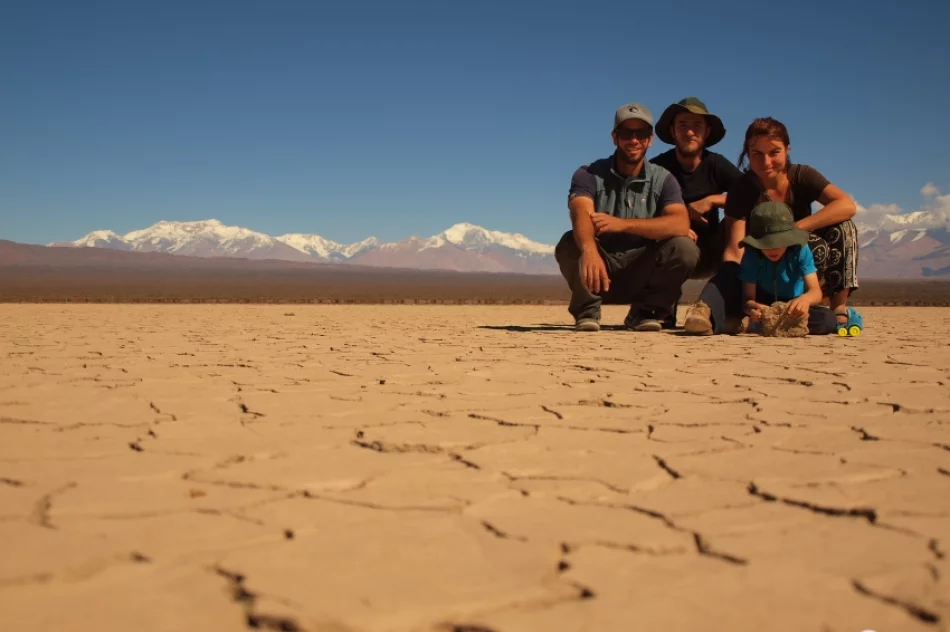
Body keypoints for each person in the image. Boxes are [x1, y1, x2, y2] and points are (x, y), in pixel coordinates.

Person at [683, 117, 858, 335]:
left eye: (774, 152)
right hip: (760, 271)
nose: (766, 162)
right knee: (730, 267)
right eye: (757, 154)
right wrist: (734, 286)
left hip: (802, 272)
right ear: (748, 154)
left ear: (787, 149)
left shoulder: (802, 176)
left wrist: (794, 230)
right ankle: (705, 312)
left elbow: (846, 205)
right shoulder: (742, 188)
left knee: (845, 227)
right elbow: (735, 248)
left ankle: (838, 307)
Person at [555, 102, 699, 332]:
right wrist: (590, 250)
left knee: (684, 248)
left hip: (643, 272)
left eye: (641, 134)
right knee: (569, 243)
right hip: (598, 271)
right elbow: (580, 211)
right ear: (615, 137)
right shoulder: (588, 174)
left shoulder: (663, 179)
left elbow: (681, 222)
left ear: (650, 139)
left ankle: (645, 312)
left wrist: (622, 225)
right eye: (626, 133)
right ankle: (587, 311)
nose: (634, 140)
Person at [650, 97, 744, 278]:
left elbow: (753, 195)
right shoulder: (657, 168)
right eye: (683, 125)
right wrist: (676, 225)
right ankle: (659, 303)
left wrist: (713, 200)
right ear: (673, 130)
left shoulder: (716, 163)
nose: (690, 132)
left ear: (707, 131)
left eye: (697, 126)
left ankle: (739, 288)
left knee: (747, 214)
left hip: (712, 253)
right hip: (669, 251)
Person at [737, 201, 836, 335]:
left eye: (779, 242)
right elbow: (748, 300)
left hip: (794, 305)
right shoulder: (752, 254)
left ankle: (773, 327)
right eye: (766, 244)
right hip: (764, 304)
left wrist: (805, 300)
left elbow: (815, 292)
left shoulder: (800, 249)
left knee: (827, 319)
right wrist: (752, 309)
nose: (773, 248)